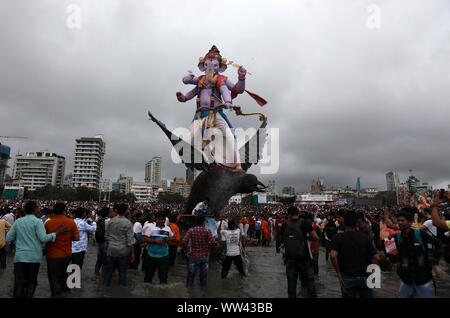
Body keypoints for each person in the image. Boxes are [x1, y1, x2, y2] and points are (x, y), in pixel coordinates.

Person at [6, 201, 65, 298]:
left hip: (19, 257)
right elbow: (43, 238)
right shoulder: (38, 222)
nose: (39, 210)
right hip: (34, 258)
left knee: (19, 283)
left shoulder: (18, 221)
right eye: (37, 208)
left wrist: (18, 241)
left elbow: (9, 238)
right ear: (34, 209)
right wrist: (57, 232)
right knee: (32, 282)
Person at [330, 211, 380, 298]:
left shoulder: (337, 237)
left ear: (344, 222)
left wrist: (338, 273)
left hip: (347, 277)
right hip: (365, 277)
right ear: (356, 223)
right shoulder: (364, 237)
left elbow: (333, 256)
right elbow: (377, 258)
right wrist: (370, 273)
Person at [390, 207, 435, 298]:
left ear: (410, 222)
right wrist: (389, 248)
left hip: (423, 279)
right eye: (398, 220)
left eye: (402, 220)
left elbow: (437, 243)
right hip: (406, 280)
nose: (400, 222)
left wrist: (435, 261)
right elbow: (393, 258)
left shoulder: (420, 234)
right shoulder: (396, 238)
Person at [281, 206, 319, 298]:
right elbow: (316, 237)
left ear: (288, 214)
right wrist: (305, 238)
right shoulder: (305, 223)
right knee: (310, 283)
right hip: (304, 258)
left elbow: (282, 239)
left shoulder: (285, 224)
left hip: (290, 258)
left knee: (291, 284)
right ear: (298, 213)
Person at [45, 202, 80, 297]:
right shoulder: (71, 222)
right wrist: (68, 237)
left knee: (53, 278)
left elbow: (44, 239)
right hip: (66, 255)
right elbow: (77, 238)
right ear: (64, 211)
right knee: (64, 276)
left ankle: (55, 294)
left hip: (52, 255)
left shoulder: (48, 223)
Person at [103, 203, 133, 287]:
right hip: (123, 251)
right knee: (122, 272)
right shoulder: (128, 223)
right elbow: (130, 240)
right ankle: (121, 289)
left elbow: (106, 237)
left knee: (109, 271)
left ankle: (106, 286)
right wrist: (132, 253)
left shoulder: (110, 221)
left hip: (111, 250)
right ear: (126, 211)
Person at [182, 215, 216, 288]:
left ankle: (189, 292)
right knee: (203, 278)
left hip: (193, 256)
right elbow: (213, 243)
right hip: (204, 256)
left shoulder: (191, 230)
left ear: (195, 222)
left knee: (190, 277)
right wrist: (210, 249)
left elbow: (184, 242)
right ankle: (202, 292)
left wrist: (186, 251)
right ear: (203, 222)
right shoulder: (207, 231)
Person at [142, 211, 173, 284]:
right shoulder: (150, 227)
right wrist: (155, 241)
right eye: (160, 219)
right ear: (156, 219)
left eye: (163, 219)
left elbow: (172, 237)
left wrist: (168, 239)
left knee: (163, 279)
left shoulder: (167, 228)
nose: (162, 221)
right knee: (148, 278)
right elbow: (144, 238)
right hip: (151, 256)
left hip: (164, 257)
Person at [94, 207, 109, 278]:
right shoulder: (109, 221)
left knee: (99, 260)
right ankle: (103, 277)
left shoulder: (98, 220)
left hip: (99, 242)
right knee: (105, 262)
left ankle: (96, 274)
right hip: (105, 242)